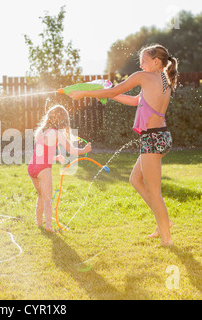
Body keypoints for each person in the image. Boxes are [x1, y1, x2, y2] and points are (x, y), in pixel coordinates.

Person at [69, 44, 178, 246]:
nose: (141, 65)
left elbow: (113, 93)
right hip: (161, 137)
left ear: (156, 61)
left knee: (154, 192)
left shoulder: (143, 76)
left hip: (152, 139)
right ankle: (164, 222)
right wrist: (109, 92)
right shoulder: (164, 79)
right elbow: (136, 100)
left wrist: (84, 93)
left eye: (144, 61)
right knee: (135, 179)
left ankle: (167, 239)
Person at [28, 105, 92, 232]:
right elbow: (71, 150)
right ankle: (48, 227)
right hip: (43, 168)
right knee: (47, 199)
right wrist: (85, 150)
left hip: (32, 167)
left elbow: (41, 153)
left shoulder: (40, 131)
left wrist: (55, 158)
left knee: (41, 195)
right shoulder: (57, 133)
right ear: (62, 120)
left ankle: (39, 223)